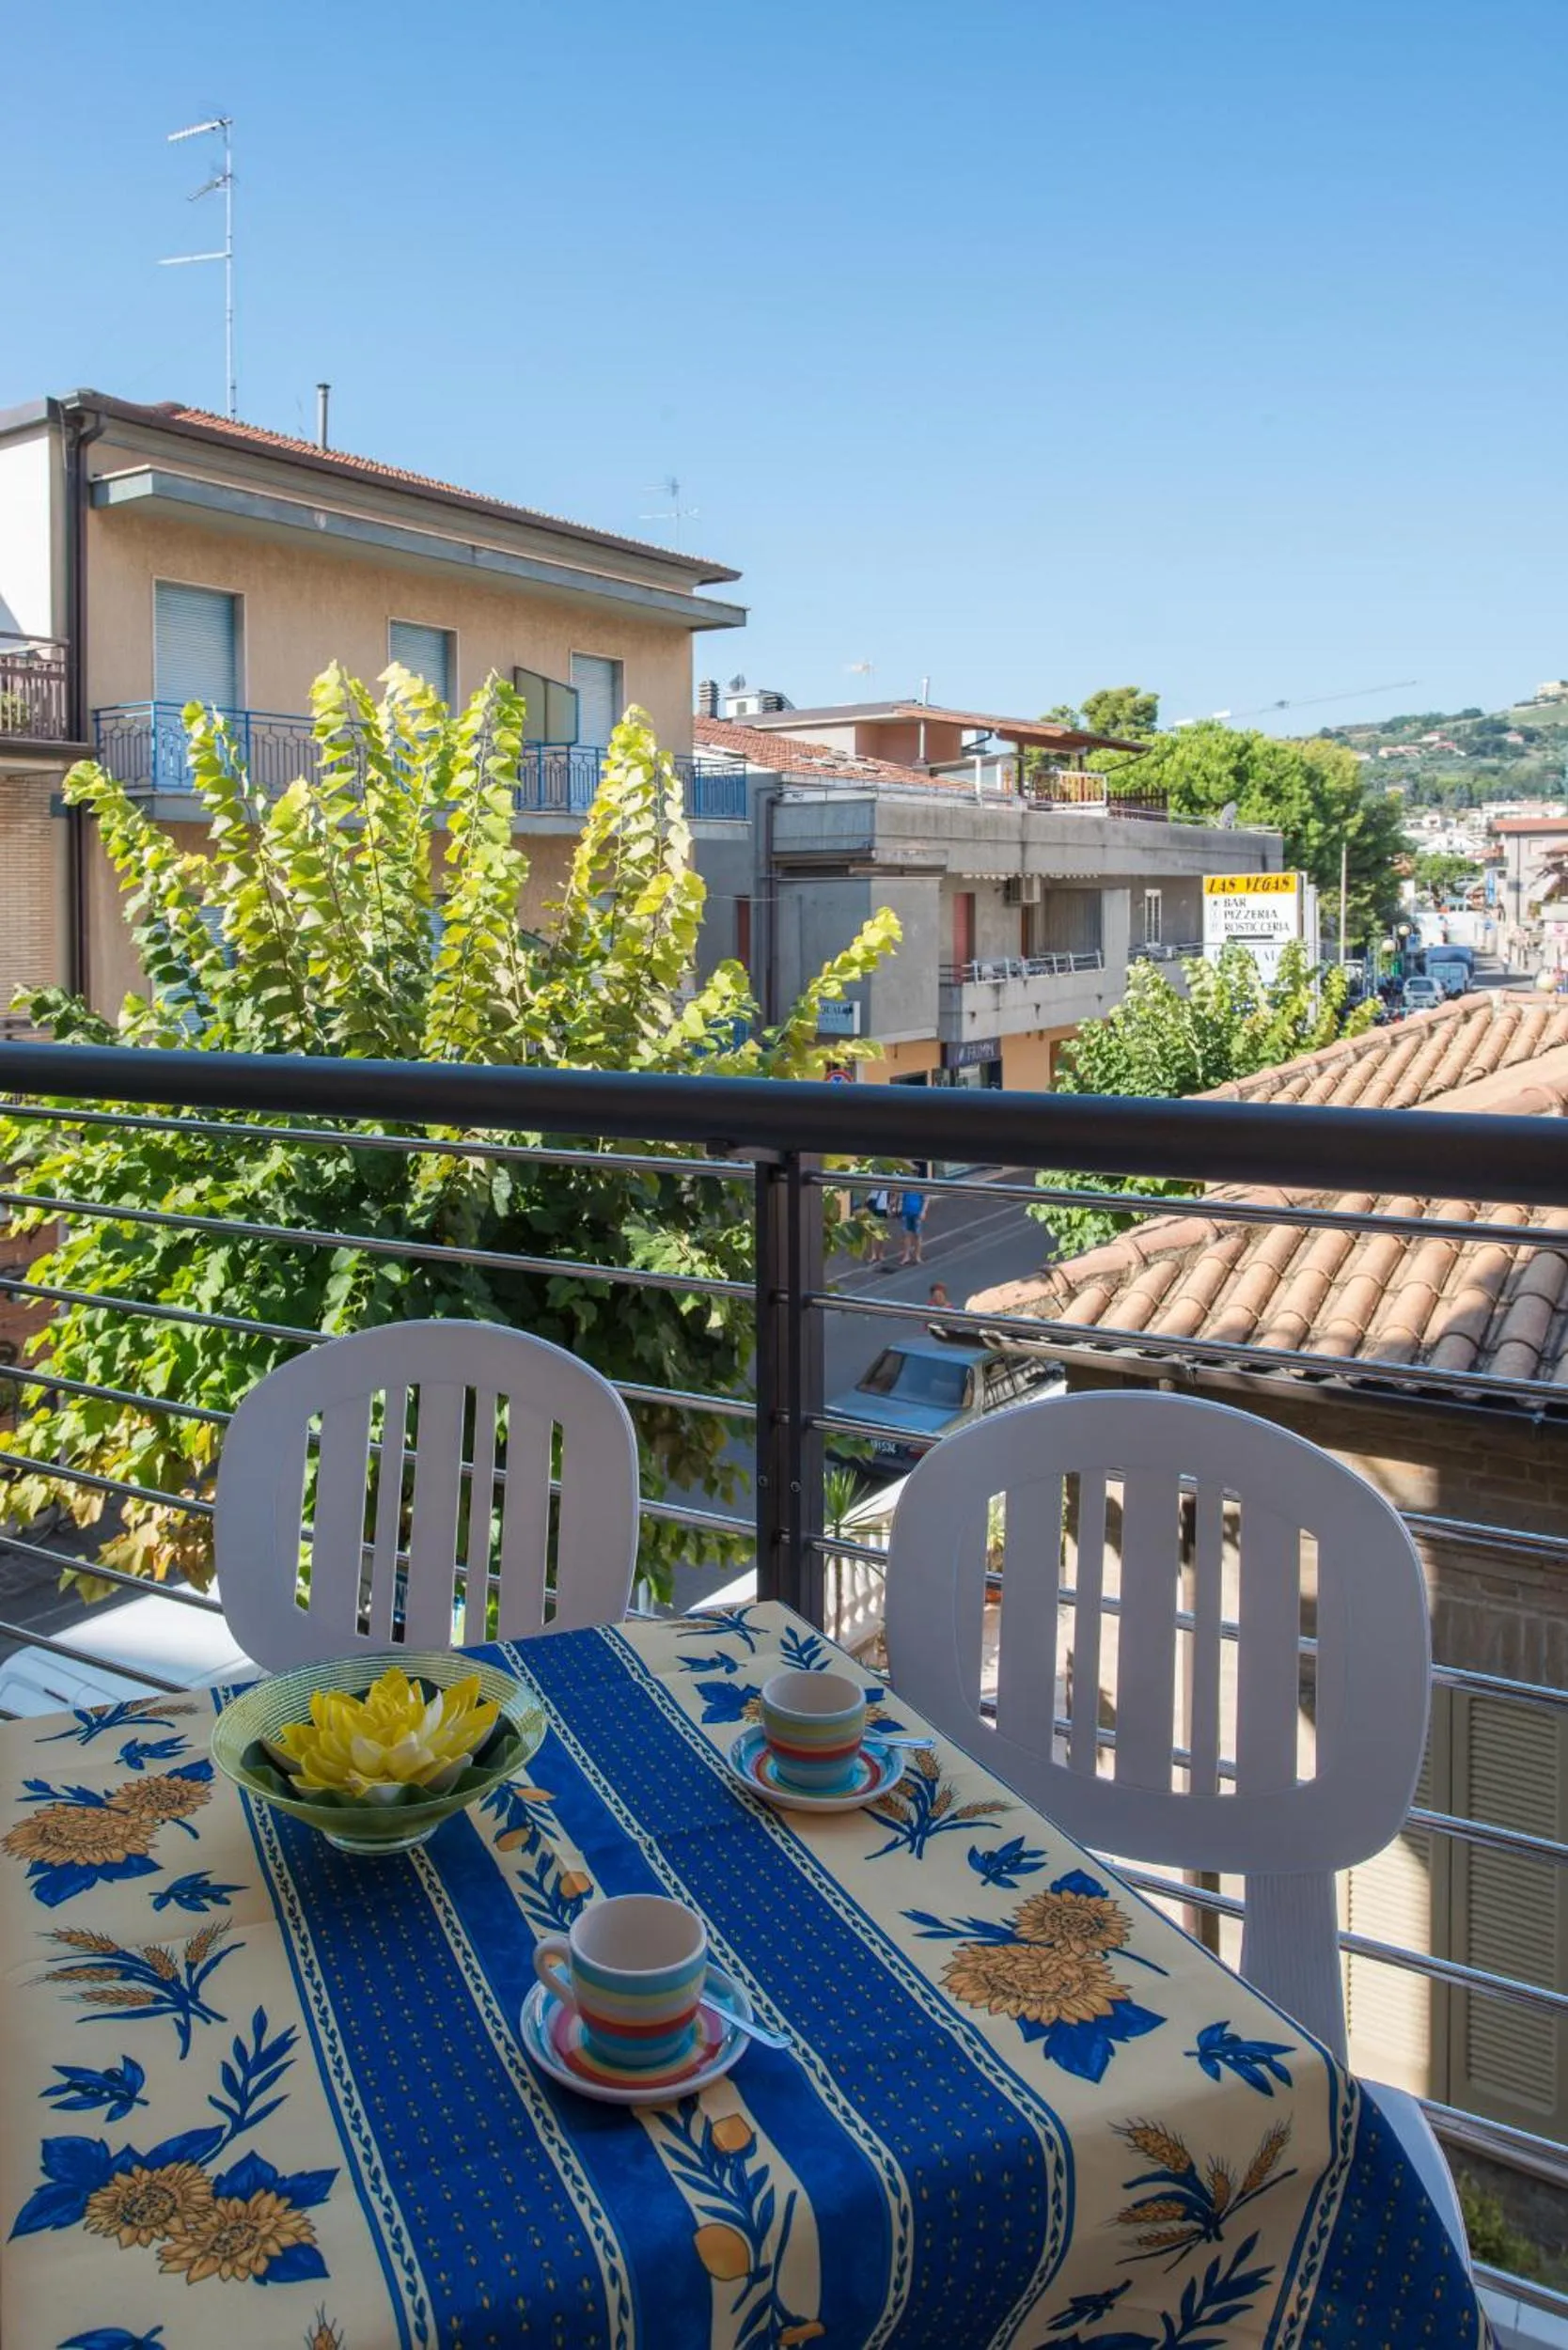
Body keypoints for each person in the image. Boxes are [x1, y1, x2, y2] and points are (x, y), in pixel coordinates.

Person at [899, 1185, 928, 1266]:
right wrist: (900, 1208)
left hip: (917, 1213)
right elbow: (901, 1198)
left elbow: (926, 1199)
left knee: (917, 1235)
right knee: (906, 1235)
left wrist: (923, 1211)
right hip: (906, 1212)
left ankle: (917, 1257)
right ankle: (906, 1256)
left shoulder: (920, 1184)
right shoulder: (905, 1184)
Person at [863, 1188, 889, 1266]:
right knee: (873, 1232)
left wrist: (890, 1206)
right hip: (873, 1207)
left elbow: (893, 1194)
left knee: (881, 1232)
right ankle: (874, 1254)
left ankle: (880, 1254)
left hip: (882, 1209)